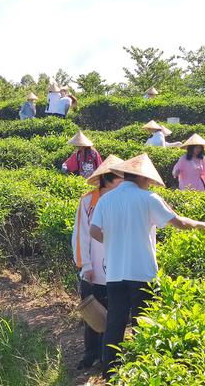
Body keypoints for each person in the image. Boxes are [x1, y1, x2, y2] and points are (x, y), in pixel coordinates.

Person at [89, 153, 205, 381]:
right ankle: (140, 375)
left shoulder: (106, 199)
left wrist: (113, 242)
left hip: (115, 274)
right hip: (142, 273)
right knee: (142, 325)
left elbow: (94, 231)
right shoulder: (148, 199)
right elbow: (180, 223)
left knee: (115, 324)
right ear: (143, 178)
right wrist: (204, 225)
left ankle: (110, 374)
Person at [72, 155, 124, 370]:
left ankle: (108, 356)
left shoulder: (123, 200)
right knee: (93, 316)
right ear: (109, 178)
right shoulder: (88, 201)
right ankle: (90, 353)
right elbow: (81, 235)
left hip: (117, 269)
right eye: (121, 176)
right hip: (93, 269)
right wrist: (86, 265)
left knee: (114, 317)